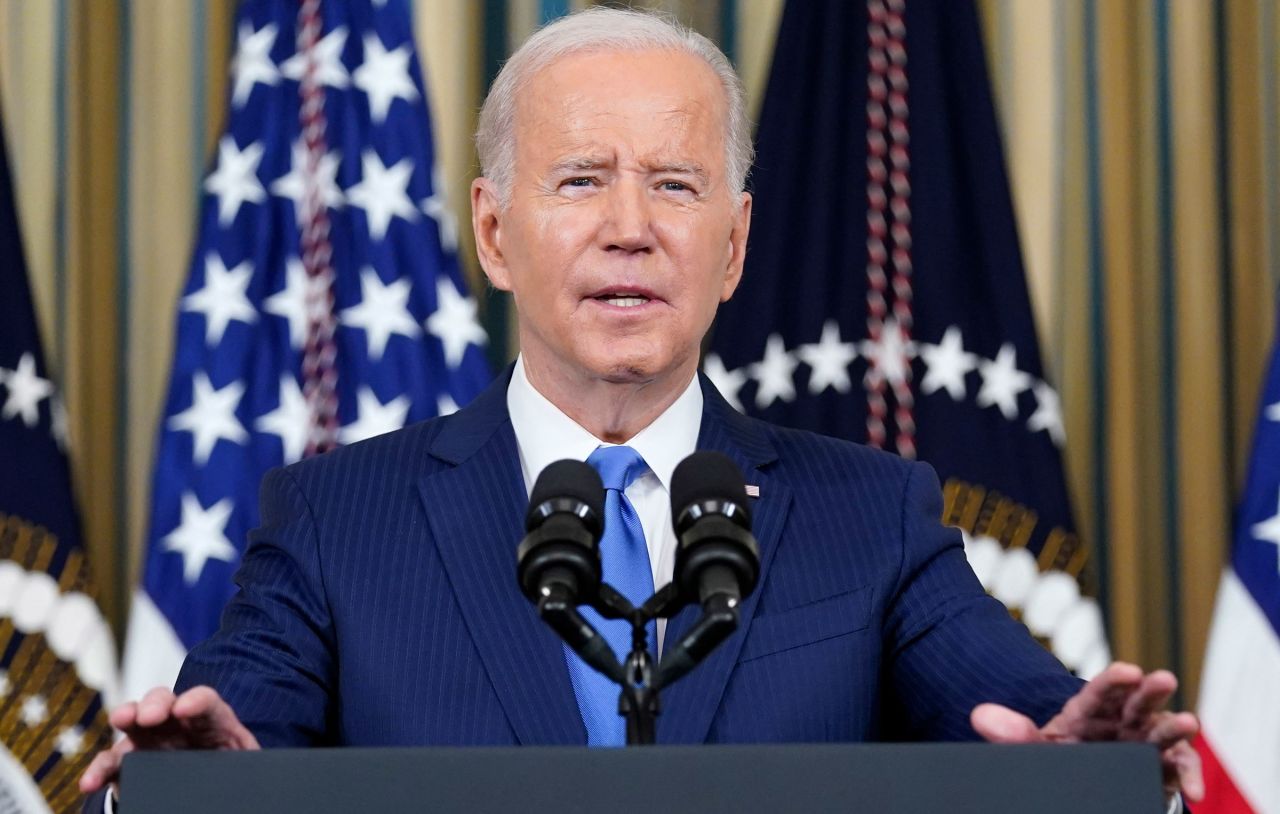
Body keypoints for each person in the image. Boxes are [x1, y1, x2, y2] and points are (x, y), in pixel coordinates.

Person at [81, 6, 1202, 810]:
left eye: (674, 184)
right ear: (490, 232)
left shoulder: (873, 513)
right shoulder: (335, 517)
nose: (631, 226)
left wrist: (1081, 755)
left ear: (734, 245)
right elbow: (227, 747)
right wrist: (176, 787)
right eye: (579, 180)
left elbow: (1022, 711)